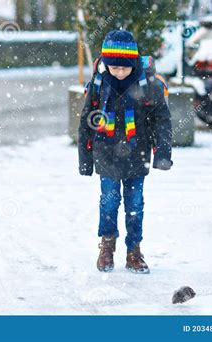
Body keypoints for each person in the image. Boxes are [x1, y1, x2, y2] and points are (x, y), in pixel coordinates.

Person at [78, 30, 173, 274]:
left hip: (137, 152)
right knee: (109, 202)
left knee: (135, 204)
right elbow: (86, 120)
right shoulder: (99, 84)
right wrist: (85, 159)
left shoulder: (147, 84)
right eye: (114, 68)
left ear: (133, 63)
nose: (119, 72)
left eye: (125, 68)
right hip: (106, 152)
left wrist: (162, 153)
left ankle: (134, 251)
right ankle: (107, 247)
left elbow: (161, 119)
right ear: (107, 64)